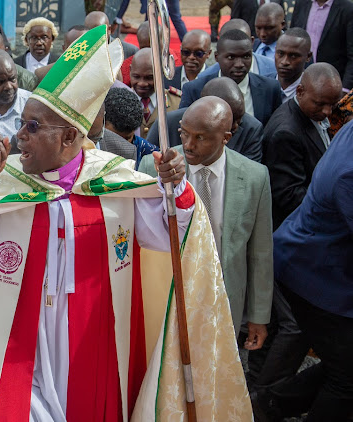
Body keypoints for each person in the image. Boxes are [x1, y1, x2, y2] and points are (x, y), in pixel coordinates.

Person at [0, 25, 251, 421]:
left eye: (33, 127)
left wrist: (174, 188)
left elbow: (175, 234)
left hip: (94, 344)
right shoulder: (4, 184)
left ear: (70, 135)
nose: (19, 135)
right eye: (22, 122)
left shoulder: (115, 183)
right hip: (23, 345)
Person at [140, 96, 273, 346]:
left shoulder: (255, 177)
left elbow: (260, 253)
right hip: (168, 294)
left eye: (201, 137)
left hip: (223, 299)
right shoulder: (155, 167)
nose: (189, 145)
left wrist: (258, 316)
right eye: (184, 133)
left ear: (226, 138)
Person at [261, 120, 353, 422]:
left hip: (320, 261)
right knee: (346, 379)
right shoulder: (348, 176)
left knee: (343, 364)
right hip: (315, 275)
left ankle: (266, 406)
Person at [262, 63, 341, 229]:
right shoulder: (286, 134)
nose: (327, 111)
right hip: (301, 227)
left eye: (332, 104)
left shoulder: (311, 113)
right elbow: (289, 195)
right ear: (300, 92)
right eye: (320, 104)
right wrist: (334, 202)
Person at [182, 29, 283, 126]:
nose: (239, 64)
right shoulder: (194, 90)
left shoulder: (270, 88)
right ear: (217, 57)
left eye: (246, 57)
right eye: (231, 57)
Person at [150, 77, 264, 162]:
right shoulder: (167, 123)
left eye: (240, 119)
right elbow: (149, 163)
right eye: (231, 118)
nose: (235, 126)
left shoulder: (252, 128)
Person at [291, 0, 353, 90]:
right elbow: (292, 39)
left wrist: (345, 89)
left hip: (332, 85)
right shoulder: (301, 3)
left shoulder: (347, 9)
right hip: (300, 83)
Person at [130, 49, 181, 139]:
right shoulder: (119, 101)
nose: (142, 83)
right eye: (136, 77)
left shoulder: (177, 103)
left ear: (161, 73)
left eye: (149, 78)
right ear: (130, 71)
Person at [199, 19, 278, 78]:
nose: (239, 64)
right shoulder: (205, 77)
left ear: (252, 41)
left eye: (242, 39)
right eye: (231, 57)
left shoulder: (273, 68)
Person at [105, 87, 160, 168]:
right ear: (102, 123)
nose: (120, 145)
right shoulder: (86, 149)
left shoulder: (150, 156)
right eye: (113, 138)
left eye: (127, 140)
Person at [121, 22, 182, 86]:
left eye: (155, 47)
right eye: (145, 48)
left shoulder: (182, 61)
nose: (151, 53)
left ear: (164, 40)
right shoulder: (127, 66)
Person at [275, 28, 313, 102]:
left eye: (293, 56)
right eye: (280, 54)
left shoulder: (312, 92)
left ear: (308, 56)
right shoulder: (261, 86)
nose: (284, 62)